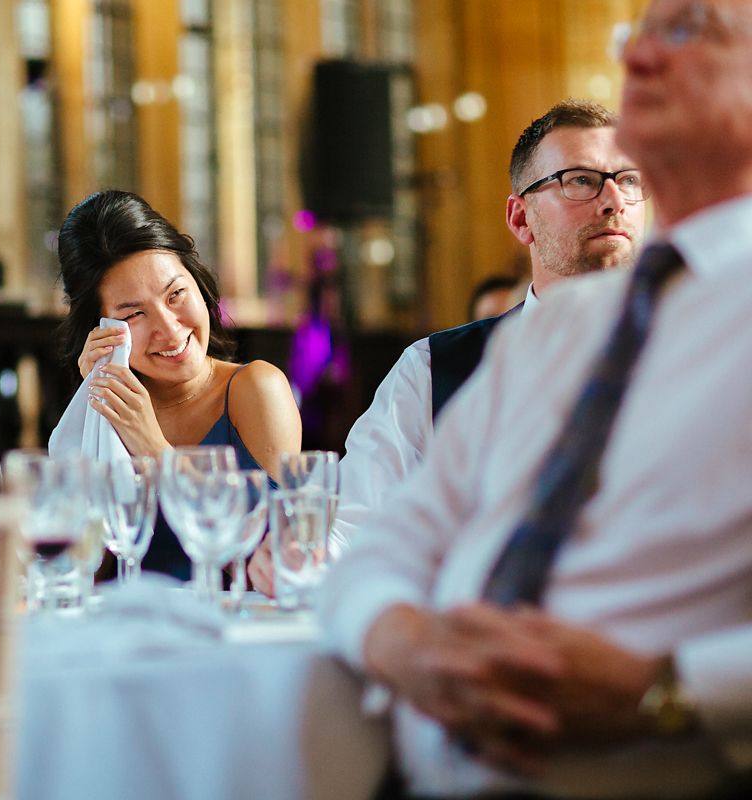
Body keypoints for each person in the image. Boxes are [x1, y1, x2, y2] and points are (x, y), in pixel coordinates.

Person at [318, 1, 752, 796]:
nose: (643, 60)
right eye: (637, 40)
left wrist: (665, 691)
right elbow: (379, 543)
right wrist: (404, 642)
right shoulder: (560, 330)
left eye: (691, 32)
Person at [317, 99, 646, 571]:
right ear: (520, 219)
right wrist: (305, 553)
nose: (614, 200)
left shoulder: (704, 351)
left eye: (630, 180)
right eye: (580, 181)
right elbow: (359, 527)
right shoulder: (434, 369)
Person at [57, 189, 301, 580]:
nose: (169, 330)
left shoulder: (256, 387)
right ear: (102, 329)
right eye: (134, 313)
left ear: (198, 283)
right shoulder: (110, 408)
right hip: (134, 631)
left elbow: (278, 555)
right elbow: (88, 567)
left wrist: (153, 448)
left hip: (241, 627)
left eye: (175, 294)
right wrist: (93, 408)